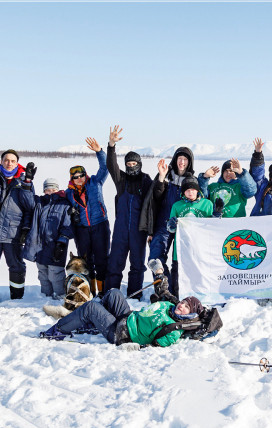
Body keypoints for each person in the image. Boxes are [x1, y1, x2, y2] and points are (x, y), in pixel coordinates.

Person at [40, 283, 204, 348]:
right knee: (113, 293)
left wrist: (137, 346)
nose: (181, 305)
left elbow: (156, 347)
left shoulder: (174, 330)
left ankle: (57, 331)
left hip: (123, 333)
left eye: (186, 307)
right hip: (129, 318)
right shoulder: (170, 306)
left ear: (190, 315)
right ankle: (92, 323)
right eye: (182, 302)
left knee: (91, 307)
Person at [104, 125, 152, 299]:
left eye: (134, 164)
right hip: (121, 229)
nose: (131, 167)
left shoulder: (146, 180)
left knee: (137, 265)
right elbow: (111, 165)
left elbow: (153, 205)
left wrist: (150, 231)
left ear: (139, 164)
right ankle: (111, 294)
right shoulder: (121, 180)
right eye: (128, 164)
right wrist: (111, 145)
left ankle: (134, 295)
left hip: (139, 230)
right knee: (115, 264)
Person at [139, 146, 195, 285]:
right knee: (156, 258)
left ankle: (178, 291)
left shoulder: (192, 181)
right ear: (175, 160)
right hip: (163, 225)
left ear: (190, 162)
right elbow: (155, 198)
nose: (182, 162)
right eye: (179, 159)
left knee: (182, 262)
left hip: (184, 228)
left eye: (185, 159)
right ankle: (164, 290)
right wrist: (162, 177)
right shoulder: (166, 176)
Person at [66, 138, 110, 296]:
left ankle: (103, 292)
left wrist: (99, 152)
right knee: (86, 261)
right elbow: (59, 202)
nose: (79, 179)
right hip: (82, 230)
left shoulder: (95, 183)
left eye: (81, 175)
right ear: (72, 179)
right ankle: (90, 291)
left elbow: (105, 167)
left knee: (102, 260)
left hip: (100, 226)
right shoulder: (69, 193)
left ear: (85, 175)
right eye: (76, 177)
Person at [23, 178, 74, 299]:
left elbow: (67, 226)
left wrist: (61, 243)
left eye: (53, 189)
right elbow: (27, 198)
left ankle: (61, 297)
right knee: (43, 274)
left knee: (55, 274)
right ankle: (46, 297)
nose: (50, 192)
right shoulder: (39, 203)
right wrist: (27, 182)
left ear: (57, 190)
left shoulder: (64, 204)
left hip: (55, 246)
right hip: (39, 247)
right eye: (47, 190)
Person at [166, 174, 214, 297]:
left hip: (201, 249)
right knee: (178, 275)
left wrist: (217, 214)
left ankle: (203, 297)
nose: (190, 192)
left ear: (197, 190)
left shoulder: (207, 204)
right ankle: (176, 297)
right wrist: (171, 224)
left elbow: (214, 226)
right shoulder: (177, 206)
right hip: (182, 250)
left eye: (193, 189)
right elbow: (171, 229)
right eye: (187, 190)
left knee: (200, 275)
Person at [0, 150, 36, 299]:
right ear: (1, 162)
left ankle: (16, 298)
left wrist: (25, 229)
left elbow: (30, 207)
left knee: (16, 266)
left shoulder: (24, 181)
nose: (9, 163)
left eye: (12, 161)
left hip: (13, 232)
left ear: (17, 163)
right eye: (6, 160)